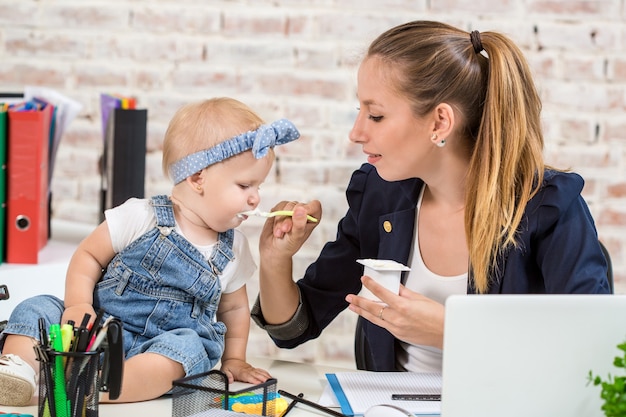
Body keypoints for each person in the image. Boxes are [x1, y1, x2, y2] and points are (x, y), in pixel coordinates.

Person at [250, 21, 611, 373]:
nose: (355, 132)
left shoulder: (550, 208)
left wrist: (450, 331)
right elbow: (295, 327)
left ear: (439, 123)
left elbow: (592, 351)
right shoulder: (380, 195)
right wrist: (274, 258)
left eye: (375, 115)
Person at [0, 97, 301, 406]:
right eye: (245, 186)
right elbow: (88, 256)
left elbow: (235, 310)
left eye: (258, 188)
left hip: (163, 347)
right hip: (100, 328)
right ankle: (19, 369)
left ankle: (98, 387)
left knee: (188, 351)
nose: (255, 199)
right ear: (198, 178)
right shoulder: (141, 216)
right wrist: (78, 304)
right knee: (38, 307)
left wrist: (235, 359)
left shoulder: (234, 247)